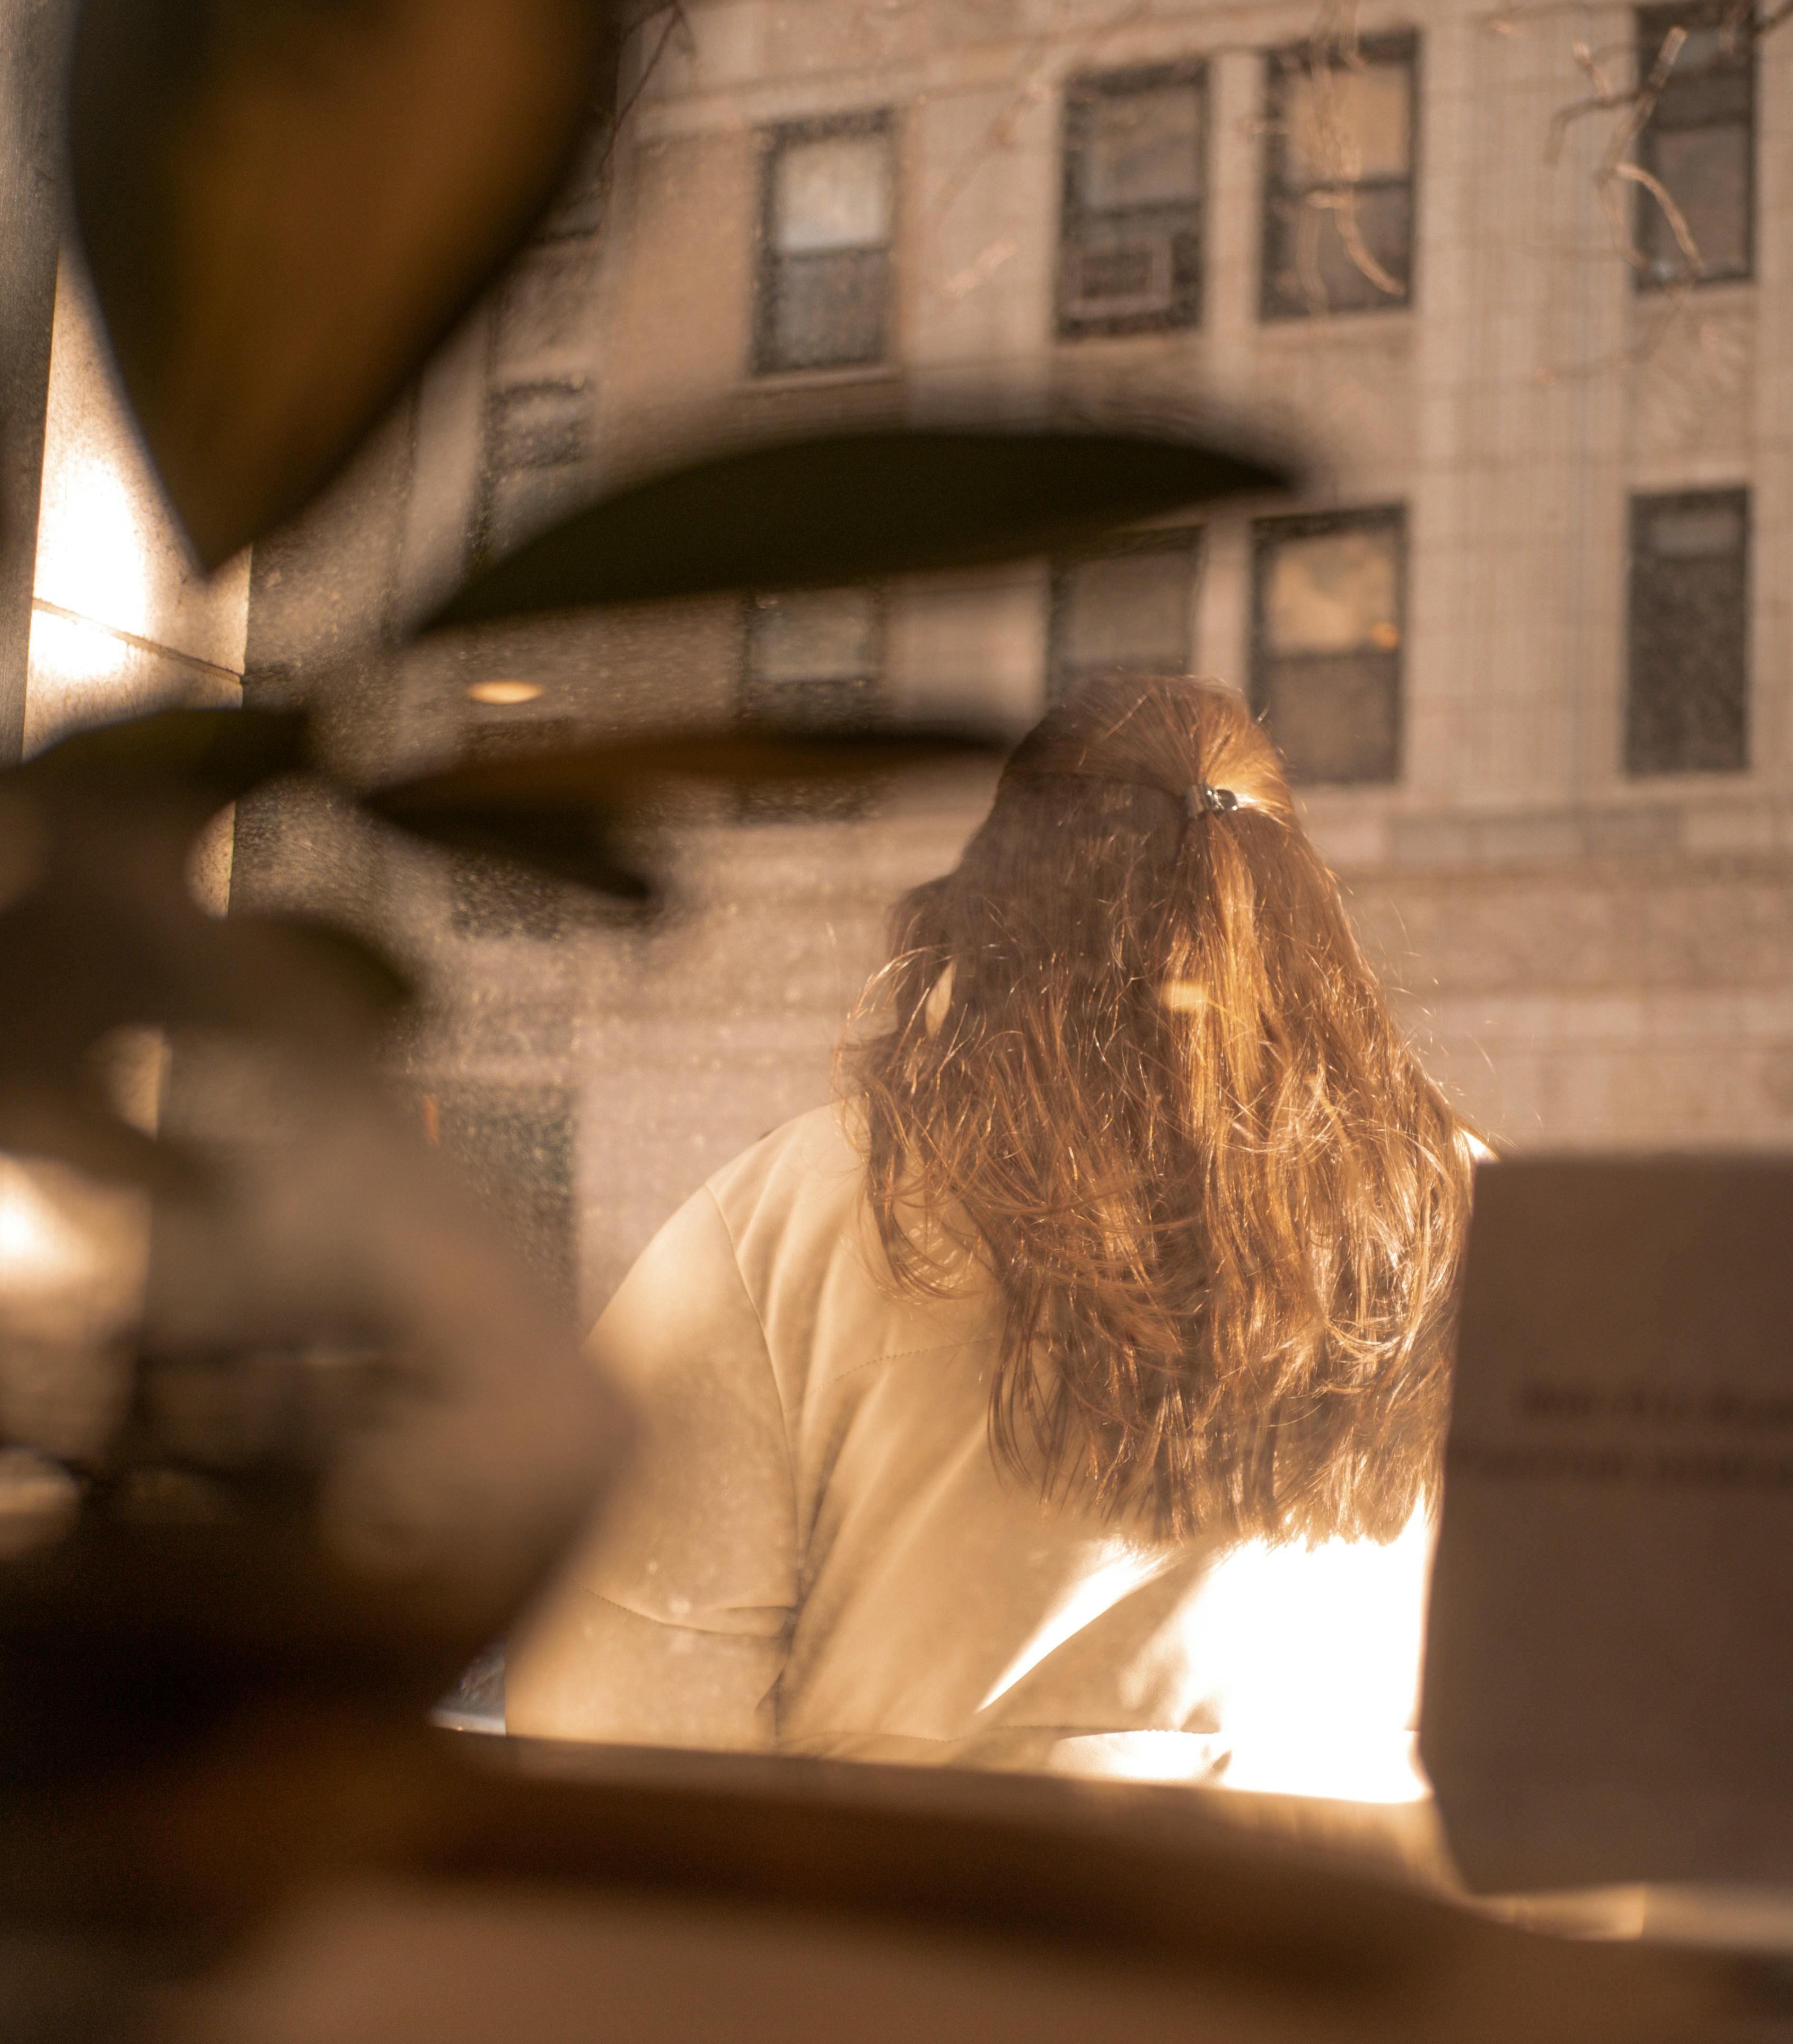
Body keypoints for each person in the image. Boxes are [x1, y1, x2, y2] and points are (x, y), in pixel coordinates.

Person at [506, 678, 1476, 1799]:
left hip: (934, 1931)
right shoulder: (1465, 1214)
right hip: (1336, 1938)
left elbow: (622, 1690)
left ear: (992, 898)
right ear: (1297, 905)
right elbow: (1575, 1694)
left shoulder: (802, 1208)